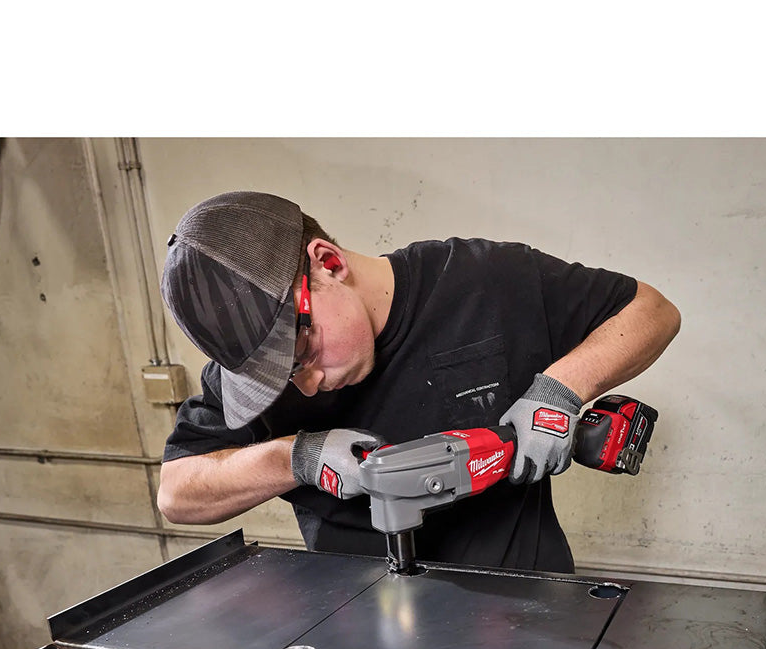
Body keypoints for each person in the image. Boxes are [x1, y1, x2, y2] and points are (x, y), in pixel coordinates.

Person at [157, 190, 680, 573]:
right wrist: (296, 457)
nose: (308, 386)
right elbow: (177, 495)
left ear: (328, 263)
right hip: (355, 628)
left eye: (305, 353)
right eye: (285, 376)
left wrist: (560, 392)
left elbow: (652, 311)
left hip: (527, 612)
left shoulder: (484, 282)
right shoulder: (265, 371)